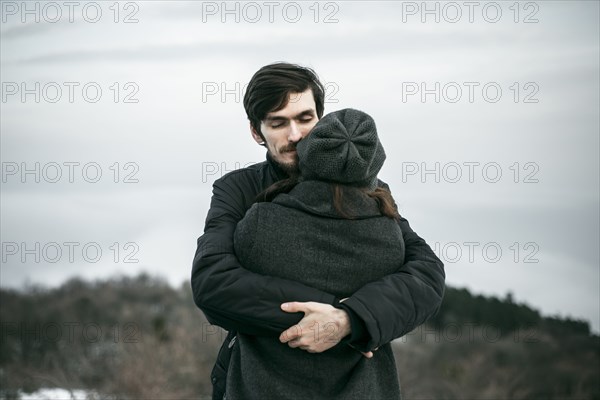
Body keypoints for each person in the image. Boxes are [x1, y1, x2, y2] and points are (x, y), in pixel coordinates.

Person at [191, 62, 445, 400]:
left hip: (360, 386)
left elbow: (426, 274)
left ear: (321, 119)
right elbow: (213, 282)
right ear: (256, 131)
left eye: (304, 118)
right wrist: (330, 313)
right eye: (278, 123)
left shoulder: (367, 187)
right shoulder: (238, 189)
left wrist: (349, 319)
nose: (295, 135)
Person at [228, 108, 406, 399]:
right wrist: (348, 318)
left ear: (309, 153)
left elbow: (217, 282)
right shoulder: (391, 240)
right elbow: (423, 277)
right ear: (373, 166)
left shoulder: (258, 224)